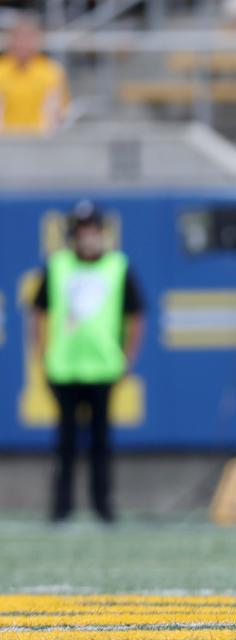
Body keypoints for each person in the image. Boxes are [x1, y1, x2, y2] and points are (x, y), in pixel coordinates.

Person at [31, 201, 145, 523]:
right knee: (64, 442)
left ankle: (102, 504)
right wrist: (41, 352)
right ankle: (61, 506)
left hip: (102, 368)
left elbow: (135, 313)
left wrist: (129, 356)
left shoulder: (117, 266)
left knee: (101, 442)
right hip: (64, 368)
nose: (87, 238)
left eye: (92, 231)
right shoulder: (58, 265)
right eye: (82, 232)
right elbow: (38, 311)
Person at [0, 13, 69, 134]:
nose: (23, 44)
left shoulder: (51, 71)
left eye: (28, 38)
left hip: (40, 143)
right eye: (19, 38)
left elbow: (58, 113)